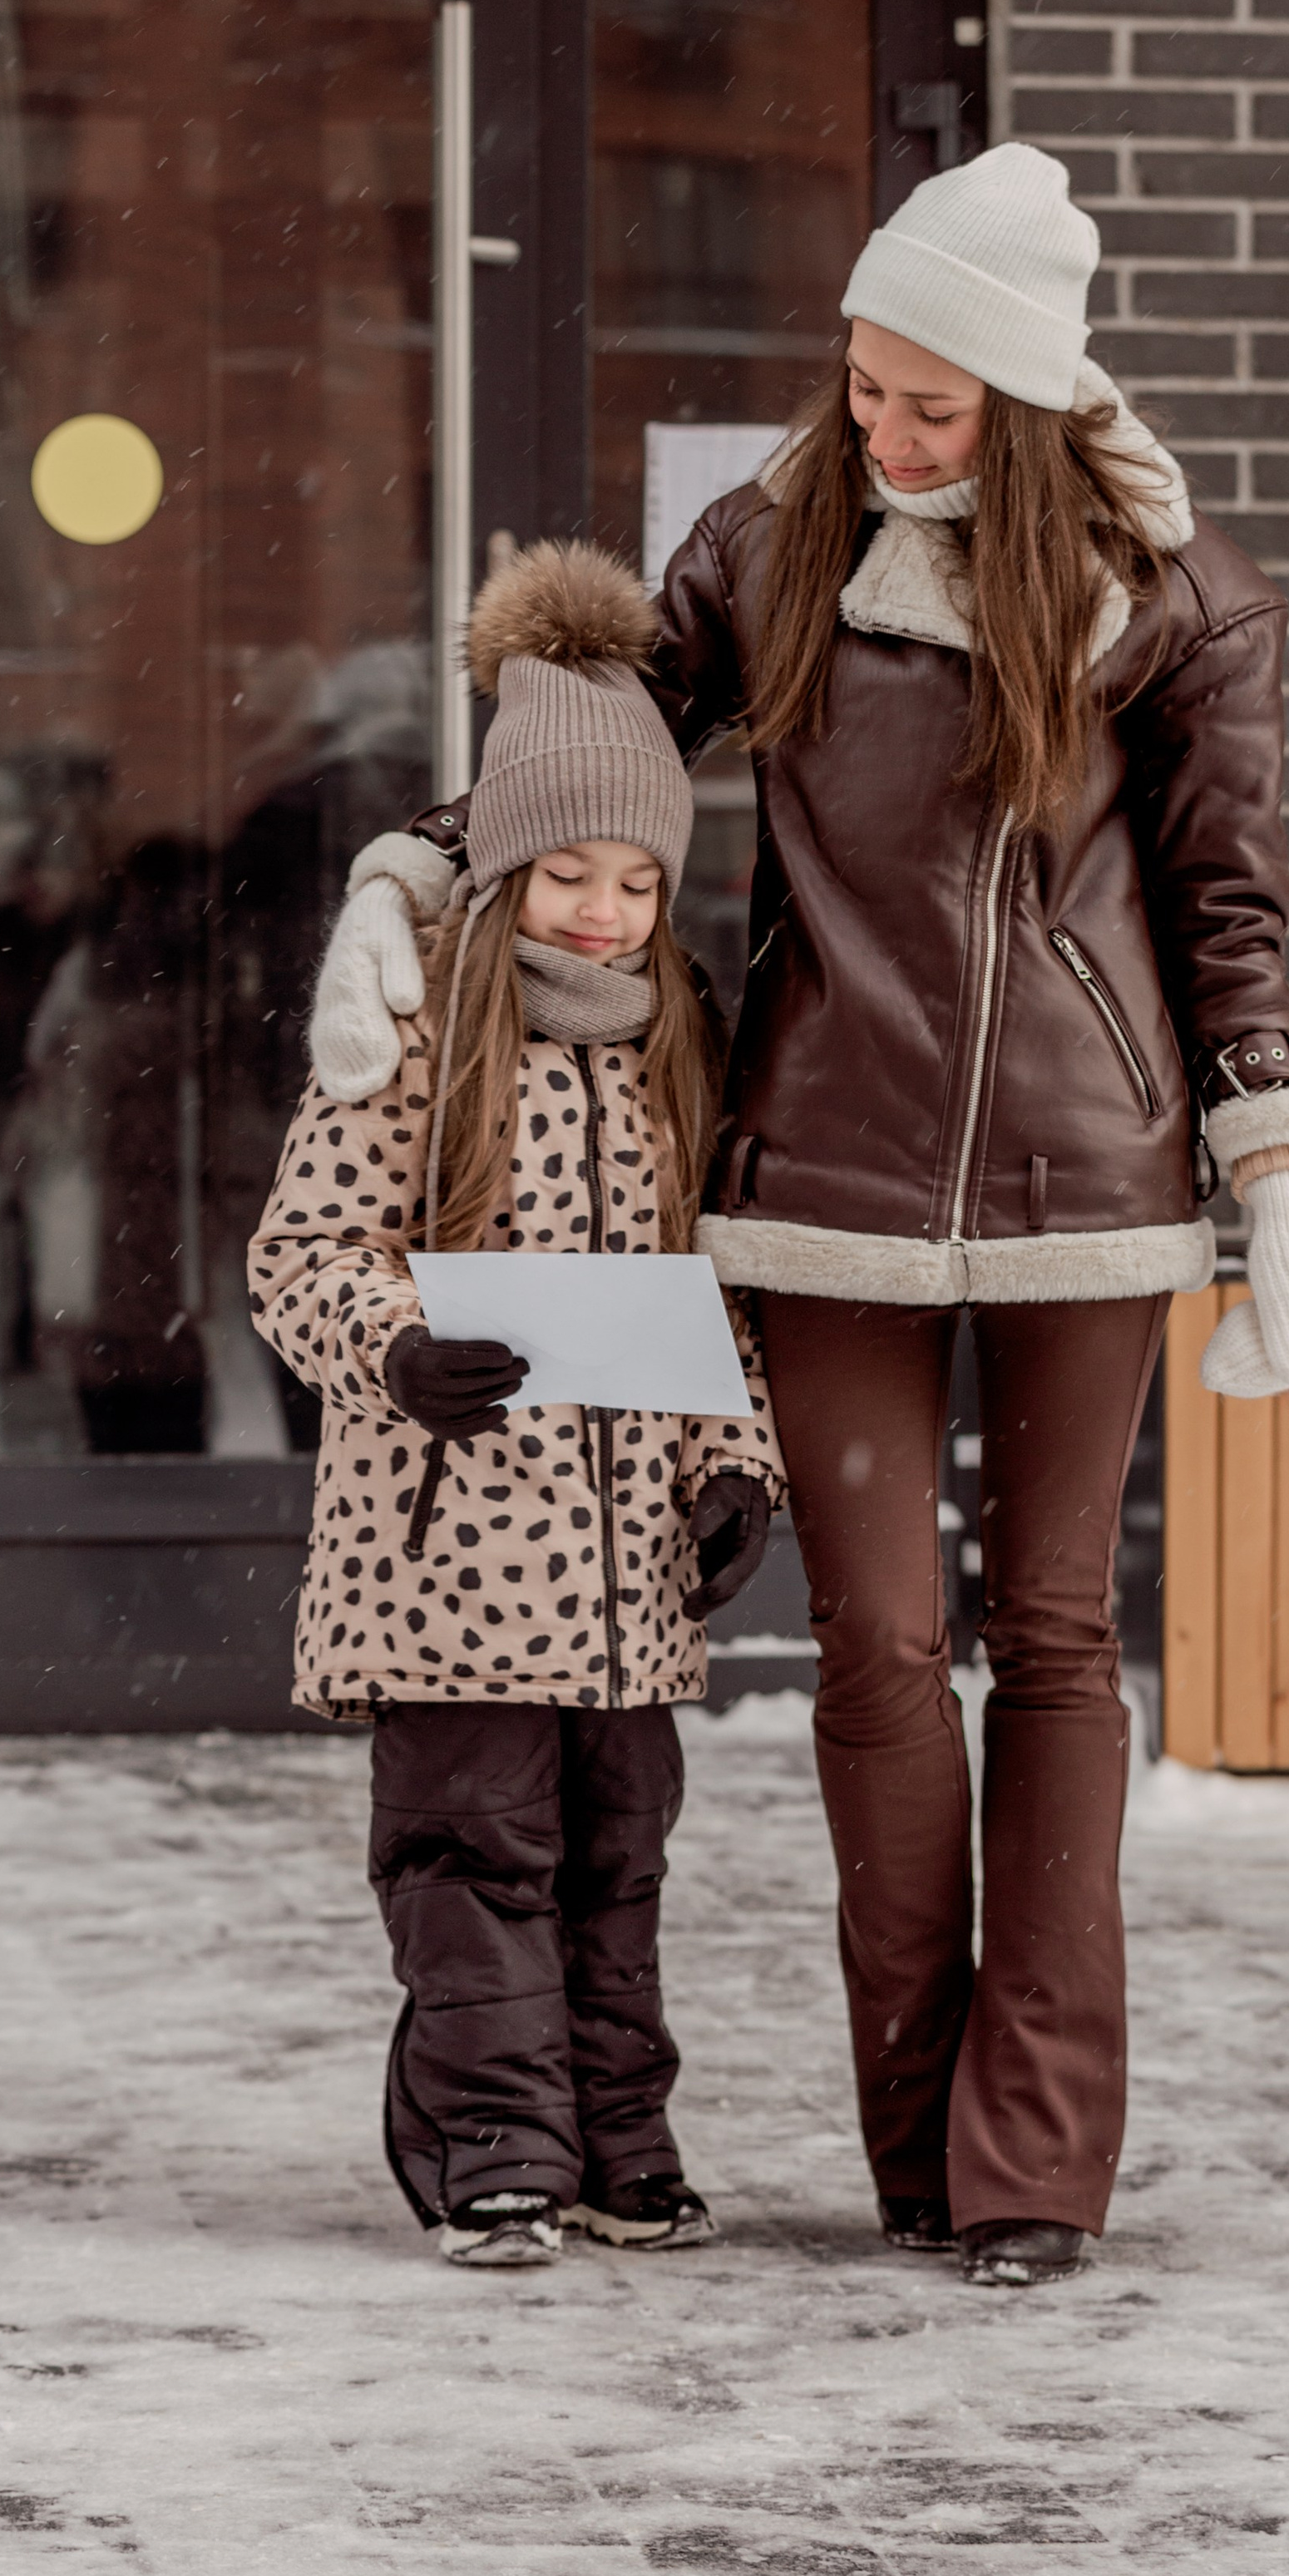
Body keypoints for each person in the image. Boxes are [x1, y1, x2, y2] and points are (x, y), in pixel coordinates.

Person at [309, 143, 1289, 2287]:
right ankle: (914, 2157)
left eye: (928, 401)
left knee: (1052, 1645)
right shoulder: (774, 544)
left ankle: (1030, 2163)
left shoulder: (1177, 598)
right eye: (861, 384)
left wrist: (1276, 1173)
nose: (880, 429)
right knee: (877, 1652)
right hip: (823, 1184)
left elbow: (1225, 914)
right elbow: (588, 748)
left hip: (1088, 1189)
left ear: (1029, 397)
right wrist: (413, 870)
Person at [249, 541, 784, 2269]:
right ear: (503, 866)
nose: (602, 912)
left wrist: (732, 1469)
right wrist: (394, 1347)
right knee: (473, 1866)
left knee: (613, 1865)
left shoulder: (674, 1046)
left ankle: (619, 2136)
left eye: (635, 880)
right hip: (450, 1560)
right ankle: (493, 2149)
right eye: (567, 871)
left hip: (625, 1584)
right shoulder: (413, 1035)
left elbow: (714, 1304)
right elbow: (300, 1254)